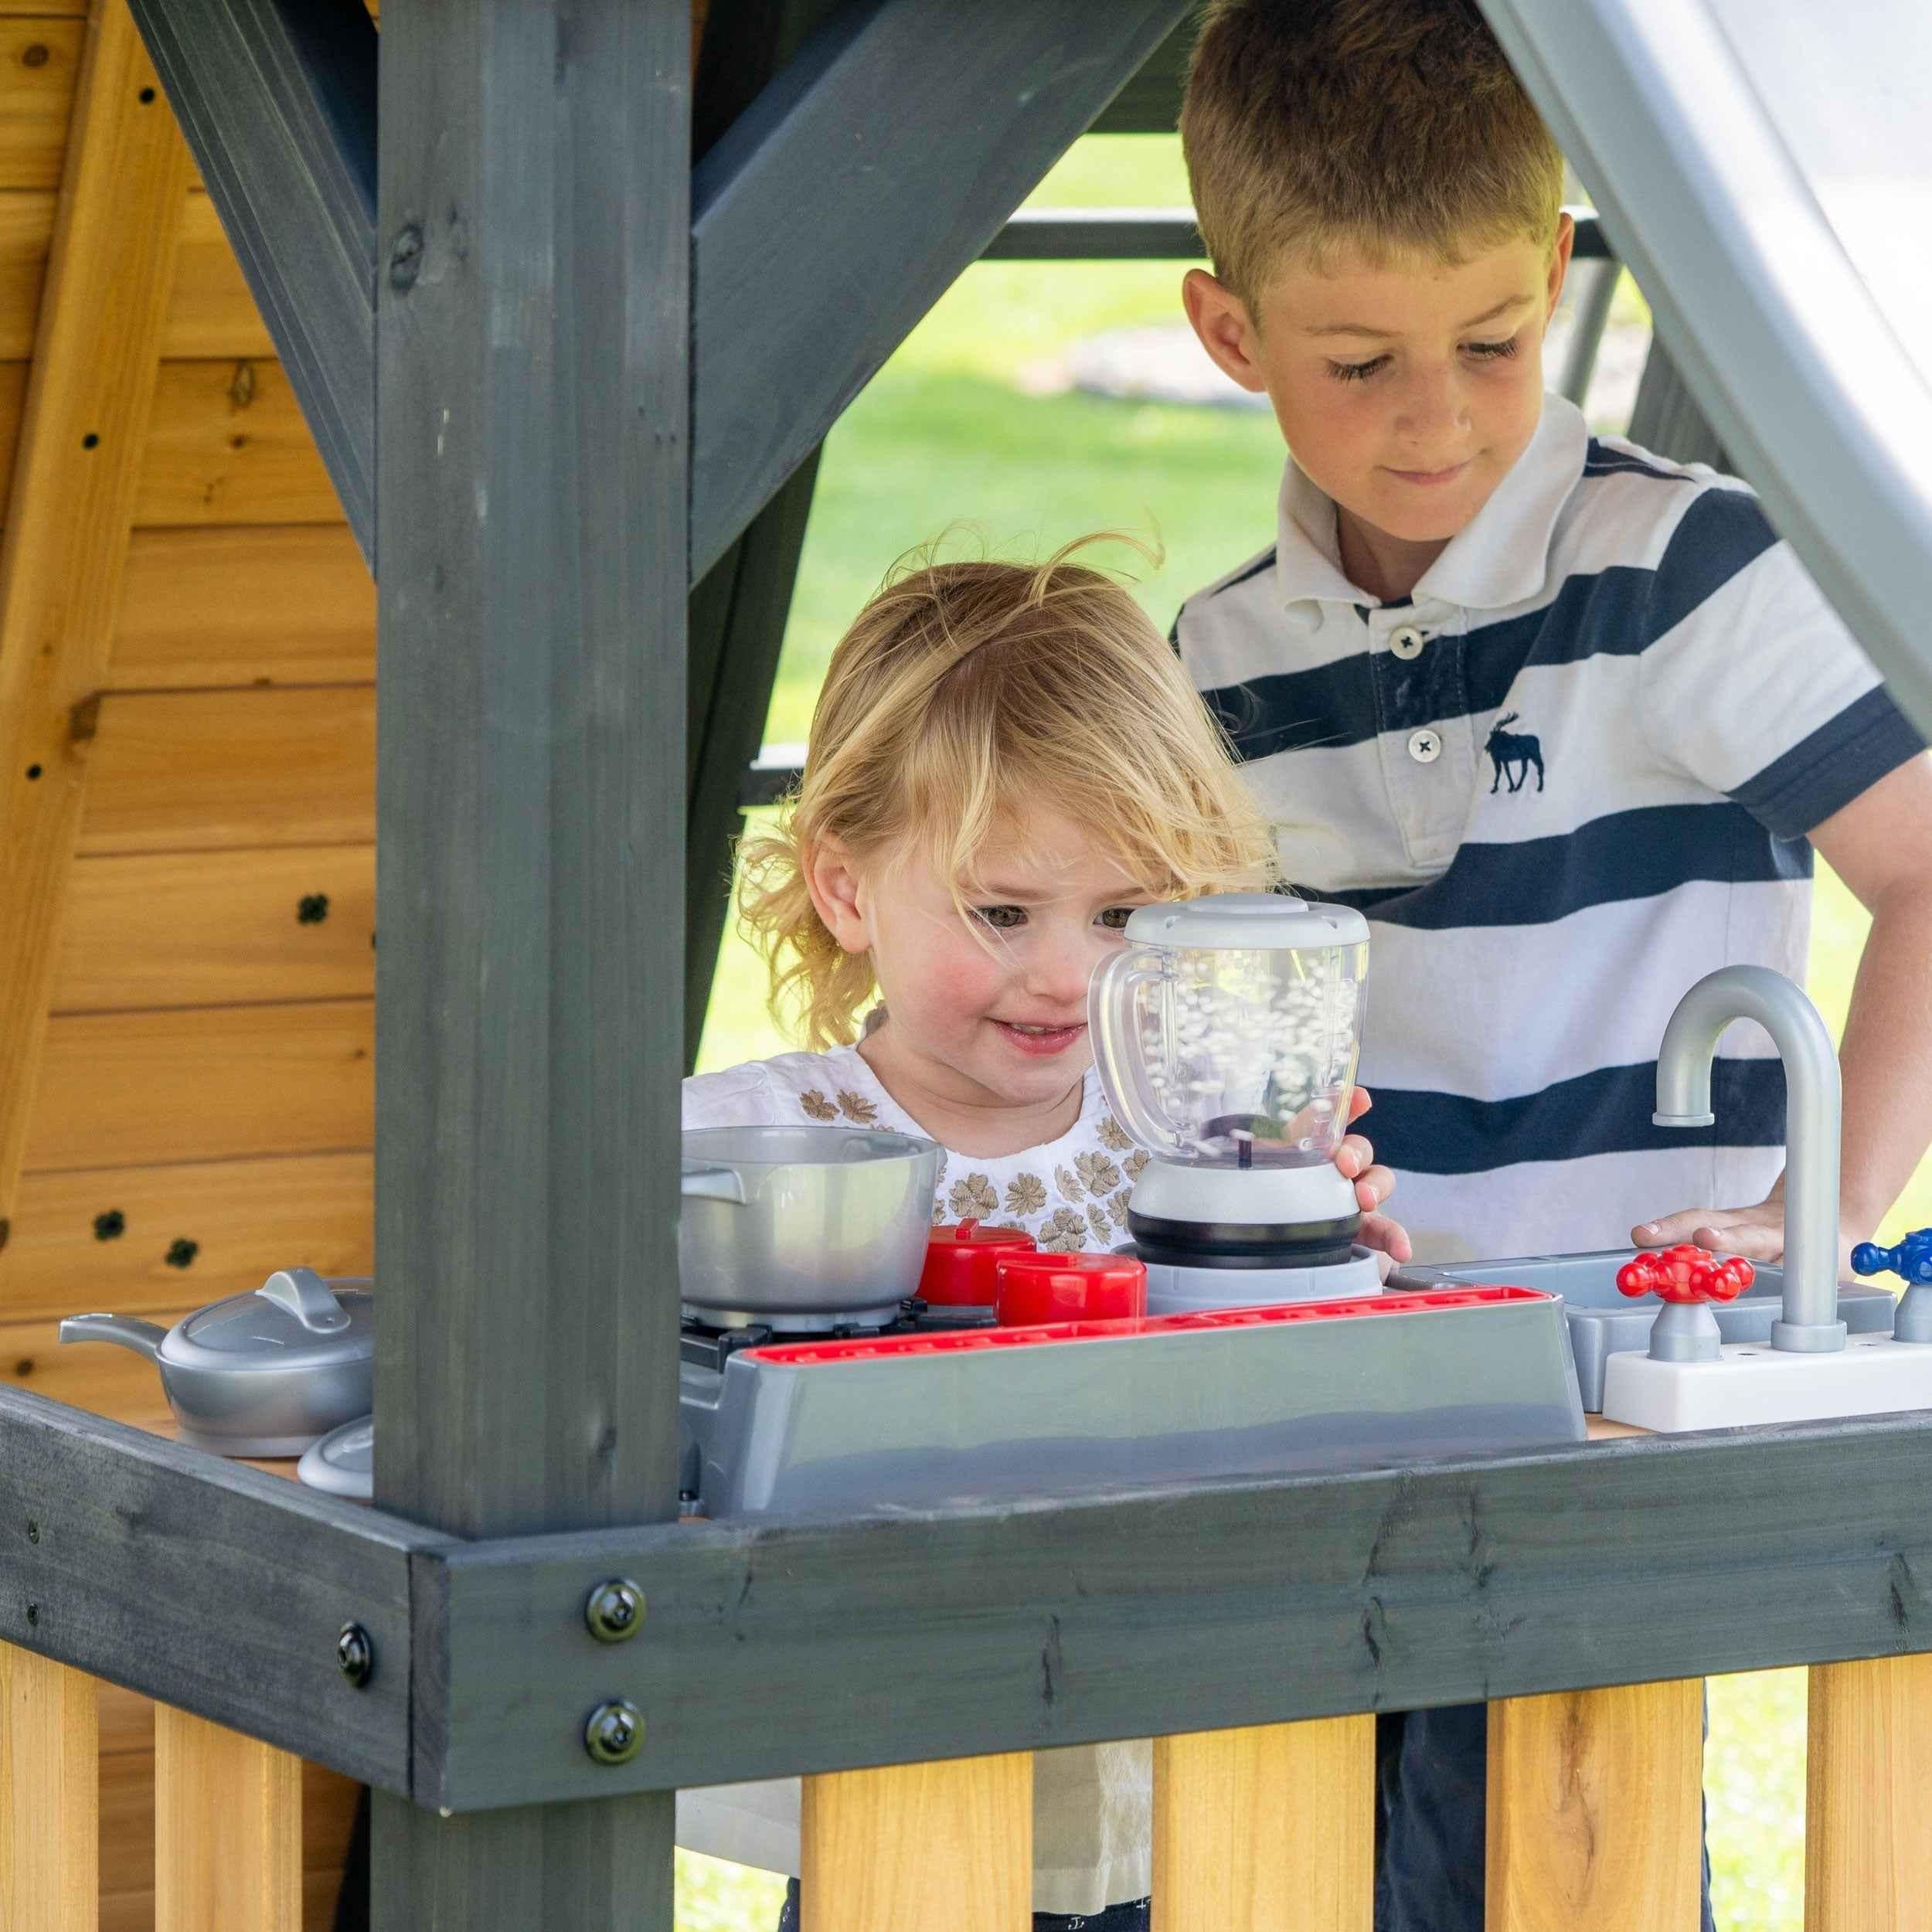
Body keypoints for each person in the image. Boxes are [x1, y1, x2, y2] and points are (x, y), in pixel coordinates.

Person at [1171, 3, 1932, 1927]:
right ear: (1228, 335)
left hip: (1602, 1416)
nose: (1434, 415)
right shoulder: (1218, 660)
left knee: (1551, 1870)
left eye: (1491, 344)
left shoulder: (1681, 574)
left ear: (1561, 276)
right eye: (1358, 363)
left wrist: (1820, 1218)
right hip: (1317, 1423)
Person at [678, 534, 1410, 1930]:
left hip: (1186, 1768)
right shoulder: (754, 1148)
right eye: (1002, 911)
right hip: (899, 1777)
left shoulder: (1199, 1137)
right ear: (845, 886)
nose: (1068, 975)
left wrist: (1325, 1245)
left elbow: (1314, 1409)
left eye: (1126, 912)